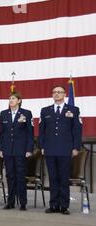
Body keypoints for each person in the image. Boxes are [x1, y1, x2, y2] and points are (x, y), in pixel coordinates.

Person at [39, 85, 82, 215]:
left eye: (59, 92)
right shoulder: (45, 111)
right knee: (53, 178)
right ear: (52, 95)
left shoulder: (73, 110)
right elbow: (42, 132)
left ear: (64, 94)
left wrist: (75, 147)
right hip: (50, 149)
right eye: (54, 92)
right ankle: (53, 205)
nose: (57, 94)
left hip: (66, 149)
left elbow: (77, 131)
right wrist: (42, 146)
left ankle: (64, 206)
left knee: (63, 178)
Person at [0, 92, 34, 211]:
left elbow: (30, 133)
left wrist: (29, 149)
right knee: (10, 176)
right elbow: (1, 134)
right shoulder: (4, 114)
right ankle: (10, 202)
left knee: (20, 176)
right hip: (8, 150)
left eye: (13, 98)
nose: (11, 100)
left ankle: (23, 202)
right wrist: (1, 148)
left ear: (19, 100)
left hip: (21, 150)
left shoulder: (26, 113)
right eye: (9, 98)